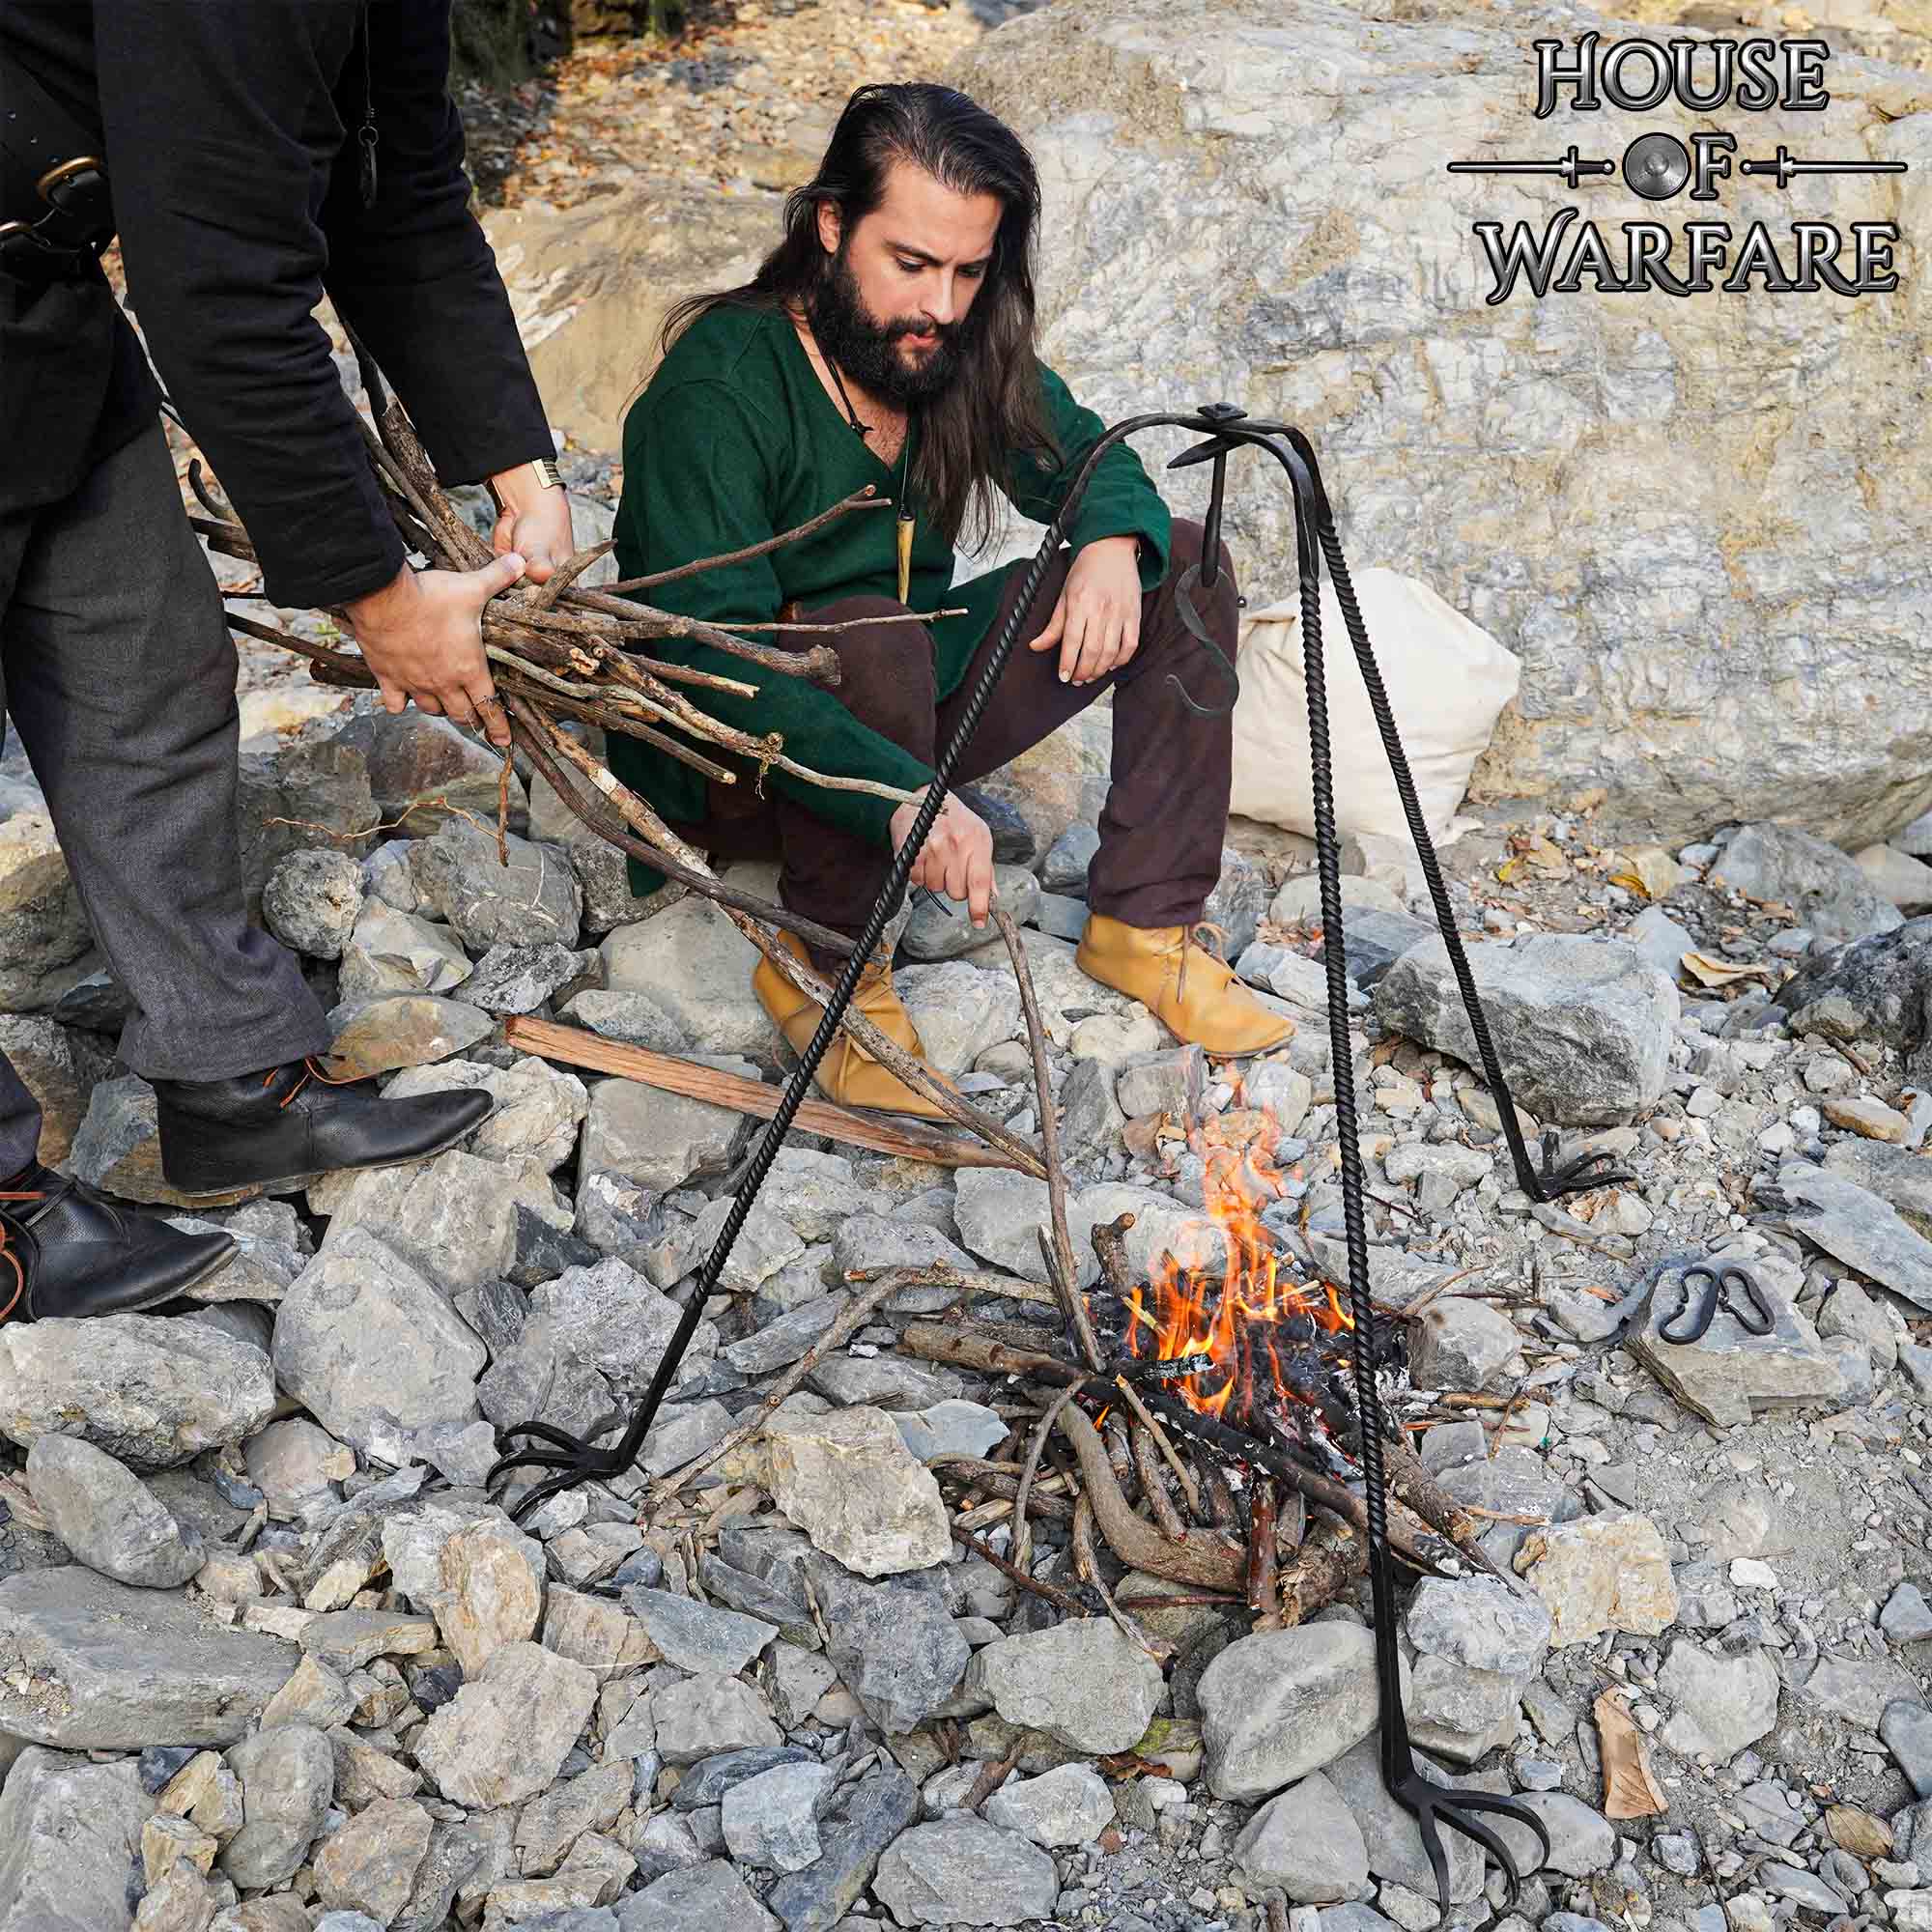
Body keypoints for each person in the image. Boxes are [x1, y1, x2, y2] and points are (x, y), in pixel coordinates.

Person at [0, 3, 575, 1321]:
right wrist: (380, 595)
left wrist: (518, 466)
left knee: (149, 673)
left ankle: (233, 1081)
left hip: (37, 294)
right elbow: (216, 294)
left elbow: (401, 190)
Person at [611, 81, 1290, 1118]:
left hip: (906, 711)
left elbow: (1086, 454)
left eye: (967, 271)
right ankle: (828, 968)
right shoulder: (718, 388)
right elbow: (716, 661)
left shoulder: (946, 343)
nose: (937, 302)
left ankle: (1141, 927)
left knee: (1182, 563)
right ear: (832, 224)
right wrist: (899, 794)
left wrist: (1106, 535)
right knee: (869, 636)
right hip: (735, 755)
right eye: (911, 264)